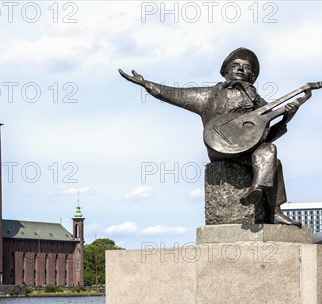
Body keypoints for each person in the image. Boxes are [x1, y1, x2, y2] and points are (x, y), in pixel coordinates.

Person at [119, 47, 300, 225]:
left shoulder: (259, 103)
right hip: (219, 148)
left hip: (247, 151)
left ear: (251, 76)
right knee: (271, 159)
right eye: (235, 64)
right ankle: (265, 199)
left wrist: (286, 118)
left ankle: (269, 205)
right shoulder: (208, 95)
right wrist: (146, 84)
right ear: (226, 71)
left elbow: (266, 137)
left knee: (271, 154)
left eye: (246, 67)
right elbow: (174, 94)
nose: (240, 68)